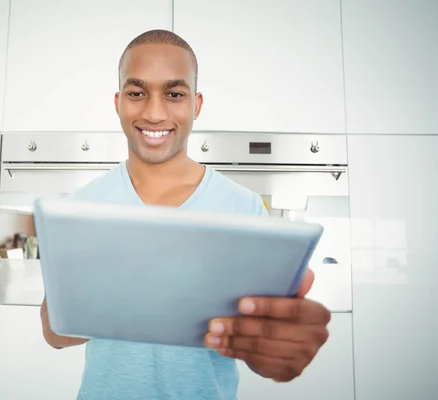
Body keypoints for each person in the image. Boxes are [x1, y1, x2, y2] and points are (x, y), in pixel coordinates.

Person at [40, 29, 331, 400]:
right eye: (137, 93)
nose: (154, 112)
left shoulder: (245, 210)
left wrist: (278, 352)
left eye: (174, 94)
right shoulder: (80, 207)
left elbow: (258, 350)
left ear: (196, 104)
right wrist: (111, 297)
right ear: (118, 102)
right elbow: (54, 333)